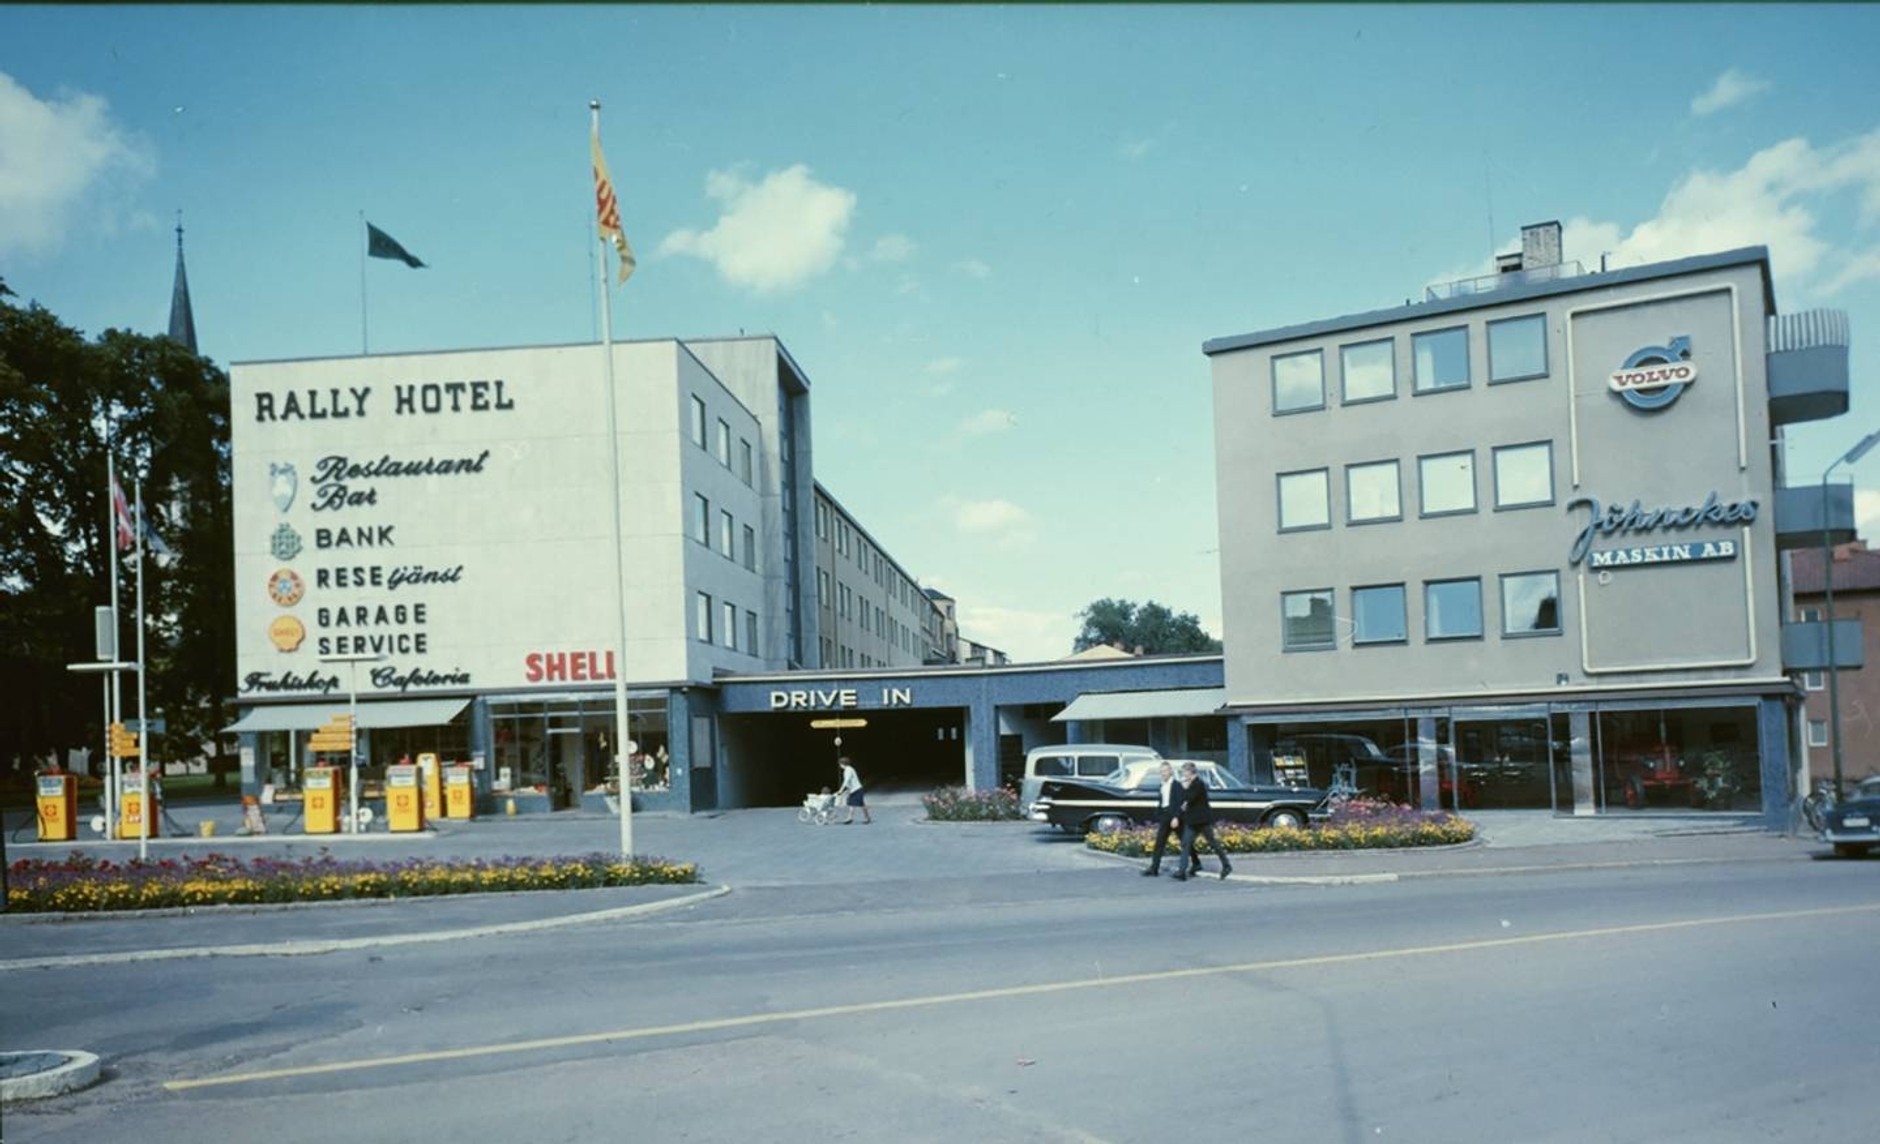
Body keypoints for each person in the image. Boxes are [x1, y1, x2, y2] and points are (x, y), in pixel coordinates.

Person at [1172, 761, 1232, 881]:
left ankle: (1226, 865)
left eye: (1184, 772)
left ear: (1190, 772)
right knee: (1185, 843)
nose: (1183, 775)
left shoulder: (1198, 784)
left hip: (1202, 820)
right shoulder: (1192, 784)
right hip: (1192, 821)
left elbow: (1189, 798)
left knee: (1213, 843)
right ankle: (1183, 871)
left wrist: (1184, 788)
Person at [1141, 761, 1181, 876]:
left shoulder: (1177, 785)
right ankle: (1154, 868)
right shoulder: (1162, 785)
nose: (1163, 773)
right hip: (1165, 816)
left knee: (1184, 841)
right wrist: (1158, 813)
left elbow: (1180, 803)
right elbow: (1162, 801)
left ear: (1171, 771)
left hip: (1174, 817)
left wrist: (1176, 817)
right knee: (1159, 843)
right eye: (1161, 771)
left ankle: (1196, 862)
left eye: (1165, 771)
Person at [835, 756, 871, 824]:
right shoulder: (850, 769)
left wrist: (841, 790)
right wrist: (846, 790)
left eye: (840, 764)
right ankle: (867, 818)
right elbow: (849, 782)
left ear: (843, 764)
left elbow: (846, 781)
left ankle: (849, 818)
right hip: (857, 789)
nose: (840, 766)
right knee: (862, 804)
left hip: (856, 790)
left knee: (852, 804)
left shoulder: (848, 770)